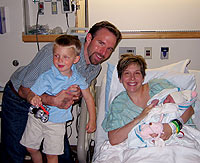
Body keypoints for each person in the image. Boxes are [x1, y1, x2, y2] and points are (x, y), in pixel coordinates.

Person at [1, 21, 121, 163]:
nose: (103, 53)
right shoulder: (56, 53)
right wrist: (53, 100)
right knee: (16, 152)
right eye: (101, 43)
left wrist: (74, 97)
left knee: (61, 155)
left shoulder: (94, 69)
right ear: (89, 38)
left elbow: (78, 96)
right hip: (19, 101)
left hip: (52, 112)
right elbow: (24, 89)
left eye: (109, 49)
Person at [20, 35, 96, 163]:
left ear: (76, 59)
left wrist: (92, 120)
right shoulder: (47, 76)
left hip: (56, 123)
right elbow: (32, 93)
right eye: (56, 56)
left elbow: (89, 98)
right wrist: (34, 98)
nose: (60, 60)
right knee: (30, 148)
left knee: (51, 155)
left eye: (66, 57)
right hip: (37, 118)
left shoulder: (78, 79)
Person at [102, 53, 194, 146]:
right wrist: (140, 117)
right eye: (127, 73)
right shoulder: (119, 103)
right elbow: (113, 139)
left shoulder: (158, 86)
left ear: (143, 77)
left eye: (137, 73)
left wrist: (173, 127)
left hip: (177, 140)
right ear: (120, 78)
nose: (132, 78)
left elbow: (189, 109)